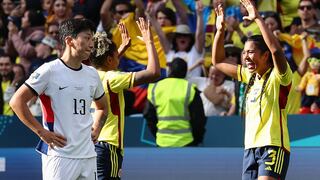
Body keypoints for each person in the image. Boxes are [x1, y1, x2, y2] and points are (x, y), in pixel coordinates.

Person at [9, 18, 108, 180]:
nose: (92, 44)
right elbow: (16, 101)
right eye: (87, 38)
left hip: (88, 155)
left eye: (93, 39)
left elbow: (103, 107)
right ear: (70, 40)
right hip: (59, 156)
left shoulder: (92, 74)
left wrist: (96, 127)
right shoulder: (49, 71)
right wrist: (41, 132)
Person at [212, 1, 292, 179]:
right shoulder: (250, 76)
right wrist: (219, 31)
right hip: (250, 149)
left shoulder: (279, 76)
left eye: (251, 52)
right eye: (244, 52)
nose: (246, 57)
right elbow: (217, 61)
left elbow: (277, 52)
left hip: (273, 146)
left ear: (265, 55)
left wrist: (258, 19)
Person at [90, 17, 160, 179]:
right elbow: (153, 72)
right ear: (109, 59)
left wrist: (120, 49)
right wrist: (149, 41)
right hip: (108, 146)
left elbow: (106, 65)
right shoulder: (112, 79)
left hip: (90, 145)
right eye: (116, 57)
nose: (118, 61)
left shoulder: (88, 74)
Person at [144, 57, 207, 147]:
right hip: (186, 142)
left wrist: (158, 135)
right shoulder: (190, 89)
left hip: (162, 142)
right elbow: (198, 119)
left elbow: (149, 116)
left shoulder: (155, 88)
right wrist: (196, 140)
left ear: (170, 70)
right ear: (185, 72)